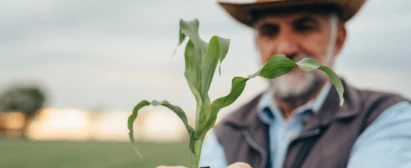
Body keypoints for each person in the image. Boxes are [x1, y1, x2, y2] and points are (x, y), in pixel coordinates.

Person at [161, 0, 411, 168]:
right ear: (257, 43)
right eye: (270, 31)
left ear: (339, 39)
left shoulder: (386, 117)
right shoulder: (227, 133)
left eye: (304, 27)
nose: (285, 49)